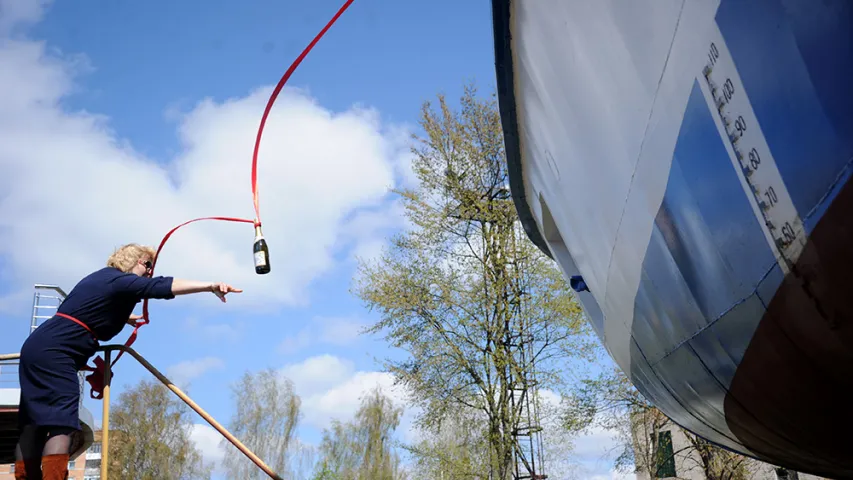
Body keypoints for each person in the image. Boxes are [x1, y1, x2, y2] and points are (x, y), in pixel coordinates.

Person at [14, 243, 241, 480]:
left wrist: (123, 317)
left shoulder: (101, 279)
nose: (150, 272)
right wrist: (209, 285)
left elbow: (84, 309)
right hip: (57, 353)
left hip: (37, 348)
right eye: (147, 265)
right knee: (62, 425)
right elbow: (161, 285)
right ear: (131, 260)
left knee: (34, 424)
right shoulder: (120, 280)